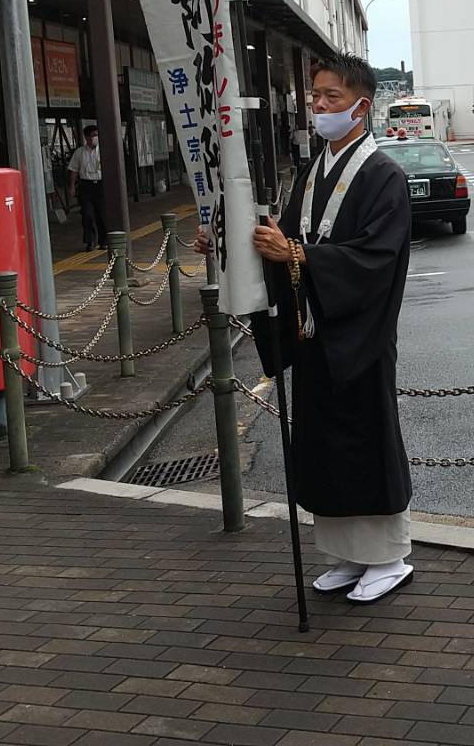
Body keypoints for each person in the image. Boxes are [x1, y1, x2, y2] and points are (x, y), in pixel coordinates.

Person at [201, 53, 416, 604]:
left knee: (364, 442)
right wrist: (231, 246)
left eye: (332, 98)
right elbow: (287, 240)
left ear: (362, 107)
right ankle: (347, 556)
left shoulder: (383, 177)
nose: (319, 106)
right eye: (315, 96)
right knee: (323, 445)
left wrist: (296, 252)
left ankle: (388, 558)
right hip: (316, 331)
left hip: (359, 337)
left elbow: (373, 259)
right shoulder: (313, 171)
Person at [68, 125, 106, 251]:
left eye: (97, 135)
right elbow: (73, 170)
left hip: (100, 184)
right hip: (86, 185)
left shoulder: (103, 150)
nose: (95, 138)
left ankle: (104, 241)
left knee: (102, 213)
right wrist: (72, 186)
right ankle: (90, 241)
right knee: (87, 214)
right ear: (86, 137)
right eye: (93, 135)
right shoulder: (80, 152)